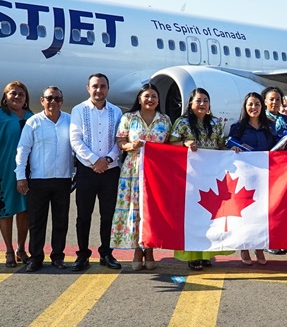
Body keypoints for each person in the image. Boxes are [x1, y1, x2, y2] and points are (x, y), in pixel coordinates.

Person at [169, 87, 231, 270]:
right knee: (193, 216)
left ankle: (206, 254)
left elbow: (220, 145)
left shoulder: (216, 123)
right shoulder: (182, 123)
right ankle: (193, 255)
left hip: (211, 176)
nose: (202, 104)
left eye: (205, 100)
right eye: (198, 100)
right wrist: (184, 143)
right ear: (190, 103)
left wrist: (231, 151)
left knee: (210, 216)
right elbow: (170, 145)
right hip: (190, 177)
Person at [112, 84, 172, 271]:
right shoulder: (129, 118)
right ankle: (137, 249)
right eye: (147, 96)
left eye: (154, 96)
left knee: (152, 211)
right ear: (139, 99)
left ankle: (150, 248)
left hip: (156, 171)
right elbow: (120, 142)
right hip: (133, 169)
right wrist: (131, 146)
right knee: (134, 209)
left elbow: (170, 145)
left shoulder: (165, 119)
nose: (150, 99)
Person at [15, 87, 73, 272]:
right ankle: (36, 257)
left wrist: (76, 173)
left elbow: (77, 147)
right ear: (42, 100)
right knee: (37, 222)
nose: (53, 102)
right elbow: (23, 150)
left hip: (63, 178)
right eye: (49, 98)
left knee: (61, 221)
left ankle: (58, 256)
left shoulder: (70, 120)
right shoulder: (33, 122)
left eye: (57, 98)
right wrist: (20, 176)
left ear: (61, 101)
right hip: (38, 179)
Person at [69, 73, 124, 271]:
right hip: (87, 170)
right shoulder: (78, 110)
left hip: (110, 171)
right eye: (95, 86)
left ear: (108, 89)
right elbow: (75, 140)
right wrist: (95, 161)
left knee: (108, 215)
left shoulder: (116, 112)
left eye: (102, 86)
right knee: (83, 215)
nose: (98, 90)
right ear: (88, 88)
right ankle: (83, 254)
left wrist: (108, 160)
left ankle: (106, 253)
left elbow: (120, 139)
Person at [0, 81, 32, 268]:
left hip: (26, 172)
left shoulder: (31, 116)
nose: (17, 97)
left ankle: (21, 249)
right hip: (1, 171)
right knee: (6, 211)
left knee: (24, 211)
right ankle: (9, 250)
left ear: (26, 98)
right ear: (5, 96)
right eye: (13, 93)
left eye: (21, 94)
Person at [227, 92, 276, 265]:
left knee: (261, 214)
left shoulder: (270, 127)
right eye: (250, 104)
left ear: (262, 107)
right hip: (244, 178)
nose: (253, 108)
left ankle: (259, 248)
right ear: (245, 107)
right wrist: (235, 148)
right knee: (245, 213)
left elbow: (276, 148)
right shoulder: (237, 127)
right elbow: (228, 144)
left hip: (264, 178)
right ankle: (244, 247)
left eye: (257, 104)